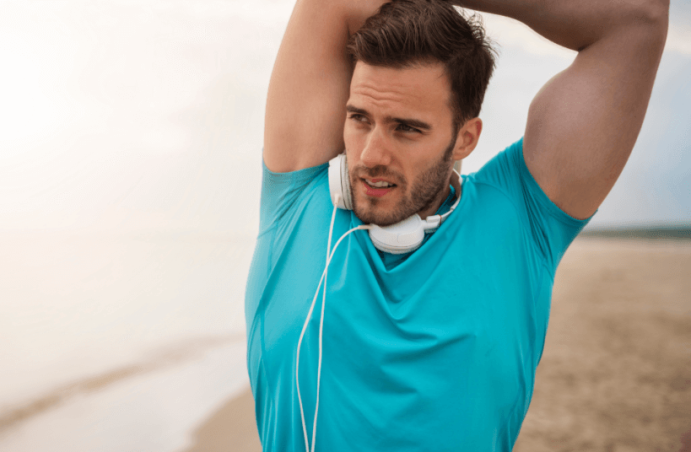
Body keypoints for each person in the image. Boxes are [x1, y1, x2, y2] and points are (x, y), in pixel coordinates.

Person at [243, 0, 669, 450]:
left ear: (465, 138)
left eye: (406, 128)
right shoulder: (297, 203)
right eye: (359, 119)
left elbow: (638, 17)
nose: (370, 156)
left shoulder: (519, 221)